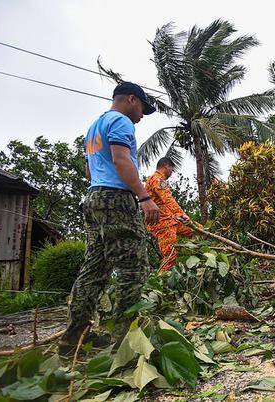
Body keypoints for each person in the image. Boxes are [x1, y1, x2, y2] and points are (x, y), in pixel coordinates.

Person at [59, 82, 159, 354]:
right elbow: (121, 159)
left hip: (93, 199)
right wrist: (144, 197)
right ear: (131, 100)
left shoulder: (94, 127)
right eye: (142, 109)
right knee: (133, 267)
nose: (141, 116)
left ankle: (73, 339)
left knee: (94, 268)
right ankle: (125, 341)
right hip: (116, 199)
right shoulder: (122, 122)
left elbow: (90, 172)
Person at [145, 157, 195, 272]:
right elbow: (167, 199)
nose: (172, 173)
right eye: (172, 170)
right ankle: (160, 284)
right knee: (170, 256)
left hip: (172, 221)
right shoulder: (157, 179)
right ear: (166, 167)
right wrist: (182, 214)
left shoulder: (155, 179)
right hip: (163, 224)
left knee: (197, 230)